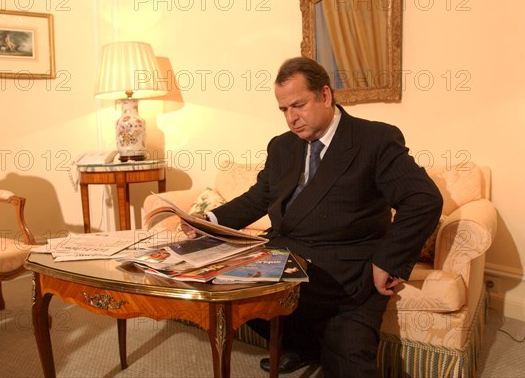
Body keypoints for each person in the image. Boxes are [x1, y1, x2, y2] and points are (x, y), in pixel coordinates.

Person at [186, 57, 443, 377]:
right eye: (283, 110)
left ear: (325, 95)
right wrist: (207, 221)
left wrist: (389, 261)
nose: (292, 118)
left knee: (351, 367)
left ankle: (314, 340)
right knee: (220, 283)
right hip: (281, 261)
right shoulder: (281, 147)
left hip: (345, 277)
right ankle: (301, 343)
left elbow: (423, 199)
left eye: (298, 105)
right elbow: (260, 198)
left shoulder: (374, 139)